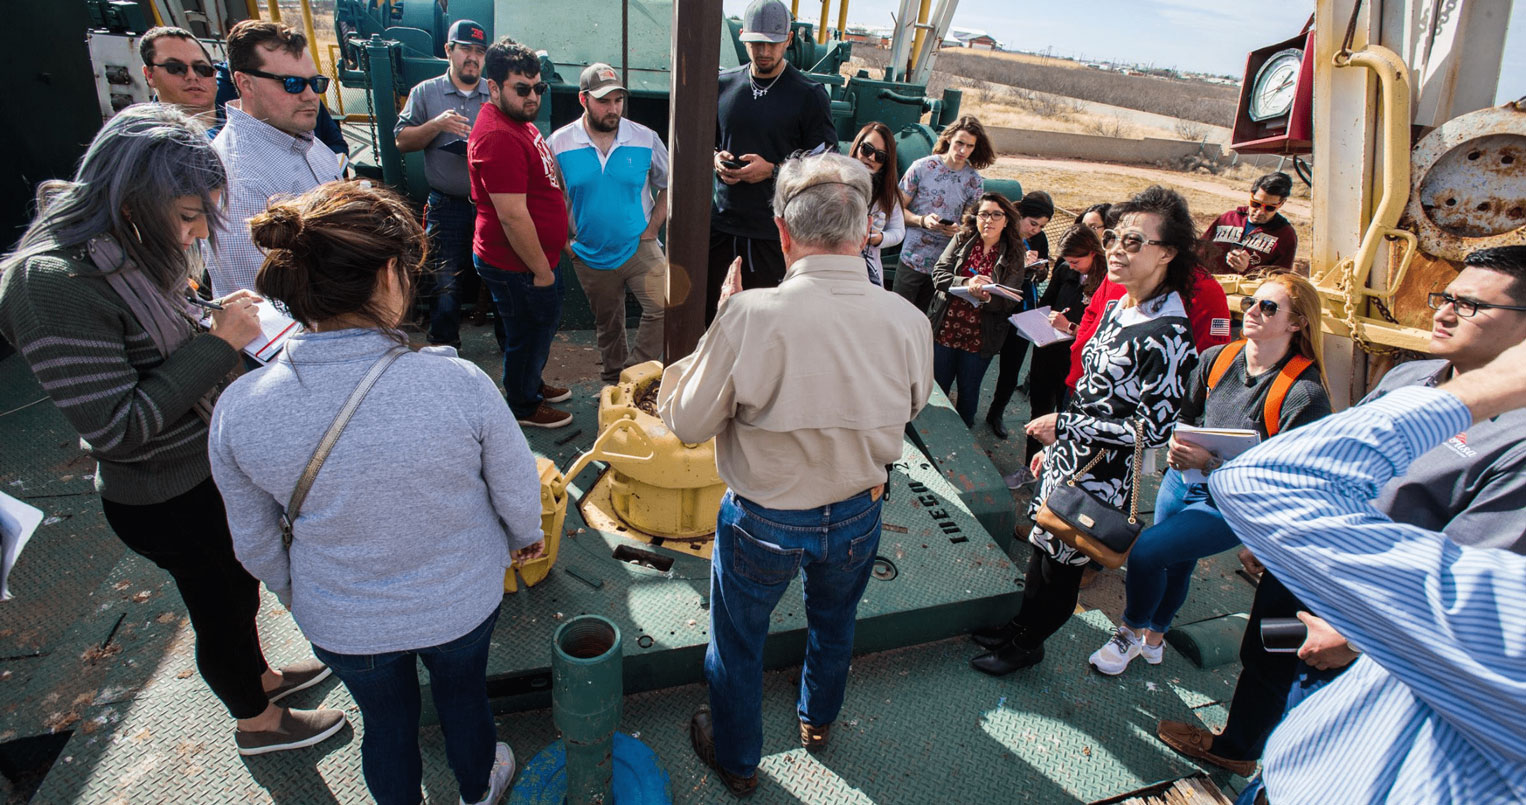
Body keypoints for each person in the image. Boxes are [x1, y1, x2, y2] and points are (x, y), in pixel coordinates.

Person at [0, 105, 345, 756]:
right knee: (216, 605)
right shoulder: (51, 283)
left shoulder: (122, 252)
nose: (193, 235)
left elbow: (160, 337)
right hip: (165, 494)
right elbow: (118, 427)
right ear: (130, 196)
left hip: (203, 471)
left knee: (237, 589)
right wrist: (220, 343)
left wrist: (215, 319)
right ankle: (258, 723)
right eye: (187, 217)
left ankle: (261, 677)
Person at [208, 181, 545, 805]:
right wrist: (525, 538)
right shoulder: (456, 381)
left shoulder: (239, 409)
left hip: (341, 619)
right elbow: (518, 490)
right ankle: (478, 788)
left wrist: (301, 590)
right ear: (391, 273)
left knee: (386, 725)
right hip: (460, 601)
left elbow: (253, 542)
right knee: (464, 699)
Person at [1158, 245, 1526, 784]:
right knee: (1266, 650)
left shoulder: (1515, 444)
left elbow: (1466, 582)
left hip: (1375, 623)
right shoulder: (1411, 378)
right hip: (1306, 579)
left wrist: (1355, 637)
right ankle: (1237, 747)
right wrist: (1278, 542)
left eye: (1470, 306)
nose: (1444, 312)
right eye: (1445, 297)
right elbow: (1326, 469)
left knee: (1325, 714)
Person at [659, 153, 933, 798]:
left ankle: (738, 758)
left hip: (765, 519)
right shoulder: (908, 320)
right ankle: (818, 721)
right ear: (866, 231)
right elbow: (914, 405)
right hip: (862, 508)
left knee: (738, 642)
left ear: (782, 231)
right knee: (836, 623)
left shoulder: (752, 314)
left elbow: (689, 423)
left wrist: (719, 332)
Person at [970, 186, 1202, 677]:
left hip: (1102, 476)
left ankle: (1028, 645)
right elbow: (1095, 390)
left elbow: (1154, 430)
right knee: (1040, 549)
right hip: (1071, 458)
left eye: (1134, 241)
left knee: (1060, 568)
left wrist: (1067, 426)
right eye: (1115, 237)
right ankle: (1018, 628)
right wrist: (1055, 451)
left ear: (1167, 253)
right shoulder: (1122, 306)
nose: (1116, 248)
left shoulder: (1170, 334)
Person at [1088, 273, 1330, 677]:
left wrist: (1210, 463)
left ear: (1297, 323)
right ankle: (1156, 637)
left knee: (1148, 551)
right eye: (1251, 301)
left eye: (1268, 307)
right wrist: (1177, 446)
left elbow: (1289, 479)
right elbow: (1187, 413)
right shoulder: (1218, 358)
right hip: (1182, 481)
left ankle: (1129, 632)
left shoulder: (1304, 394)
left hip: (1232, 506)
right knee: (1176, 563)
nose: (1252, 310)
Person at [707, 0, 837, 323]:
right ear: (742, 38)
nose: (764, 51)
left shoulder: (809, 95)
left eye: (773, 42)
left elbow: (826, 163)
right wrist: (714, 158)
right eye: (756, 42)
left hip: (773, 233)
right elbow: (705, 140)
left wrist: (774, 171)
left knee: (764, 325)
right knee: (714, 320)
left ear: (789, 41)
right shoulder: (723, 85)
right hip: (721, 228)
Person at [469, 37, 573, 428]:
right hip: (519, 265)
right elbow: (512, 216)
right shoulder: (499, 135)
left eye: (538, 88)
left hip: (534, 259)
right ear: (493, 87)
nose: (533, 98)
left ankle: (529, 383)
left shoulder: (518, 122)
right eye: (522, 89)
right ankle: (524, 406)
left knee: (536, 331)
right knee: (528, 332)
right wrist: (542, 272)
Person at [549, 62, 669, 384]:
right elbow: (552, 197)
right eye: (603, 101)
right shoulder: (559, 143)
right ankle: (614, 379)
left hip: (638, 246)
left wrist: (653, 228)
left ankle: (632, 376)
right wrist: (567, 245)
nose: (613, 108)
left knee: (665, 305)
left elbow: (671, 183)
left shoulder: (644, 138)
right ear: (583, 99)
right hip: (589, 253)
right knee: (609, 324)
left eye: (618, 100)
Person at [207, 20, 342, 298]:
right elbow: (264, 302)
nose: (310, 96)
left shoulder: (311, 144)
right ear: (245, 83)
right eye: (291, 84)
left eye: (315, 83)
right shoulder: (238, 178)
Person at [394, 19, 494, 351]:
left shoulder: (493, 95)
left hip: (491, 206)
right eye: (466, 49)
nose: (473, 58)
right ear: (448, 50)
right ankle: (443, 349)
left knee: (500, 277)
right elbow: (402, 141)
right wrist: (436, 125)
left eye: (479, 51)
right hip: (447, 204)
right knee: (444, 282)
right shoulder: (426, 92)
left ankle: (511, 350)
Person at [927, 193, 1027, 428]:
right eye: (983, 214)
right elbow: (939, 274)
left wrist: (985, 297)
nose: (989, 220)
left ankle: (963, 436)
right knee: (937, 387)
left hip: (980, 336)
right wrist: (965, 284)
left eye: (996, 215)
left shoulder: (1014, 253)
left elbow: (1009, 300)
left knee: (968, 390)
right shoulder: (963, 239)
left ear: (1006, 220)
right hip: (946, 327)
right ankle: (933, 432)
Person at [1019, 224, 1106, 467]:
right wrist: (1037, 320)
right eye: (1067, 261)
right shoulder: (1065, 270)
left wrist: (1069, 327)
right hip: (1047, 351)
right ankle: (1030, 465)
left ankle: (1057, 467)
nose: (1072, 266)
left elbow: (1102, 333)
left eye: (1076, 261)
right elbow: (1047, 303)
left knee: (1065, 417)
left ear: (1093, 253)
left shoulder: (1107, 283)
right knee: (1039, 413)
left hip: (1074, 362)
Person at [894, 115, 993, 311]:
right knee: (896, 313)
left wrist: (958, 231)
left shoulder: (974, 181)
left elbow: (972, 226)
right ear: (948, 138)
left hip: (944, 267)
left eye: (970, 146)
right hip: (911, 259)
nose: (963, 151)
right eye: (959, 143)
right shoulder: (922, 168)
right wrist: (922, 220)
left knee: (926, 322)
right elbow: (895, 210)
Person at [985, 191, 1053, 438]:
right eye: (1032, 223)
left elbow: (1042, 274)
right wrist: (1019, 266)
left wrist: (1040, 269)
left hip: (1023, 313)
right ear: (1020, 216)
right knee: (983, 358)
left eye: (1041, 226)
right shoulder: (1004, 233)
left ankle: (997, 412)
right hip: (997, 309)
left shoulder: (1040, 239)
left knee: (1011, 368)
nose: (1036, 230)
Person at [1199, 172, 1298, 275]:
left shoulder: (1285, 235)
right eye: (1256, 204)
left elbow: (1281, 280)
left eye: (1269, 208)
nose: (1260, 212)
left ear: (1281, 204)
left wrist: (1249, 269)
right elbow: (1199, 252)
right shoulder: (1227, 218)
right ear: (1251, 195)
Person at [849, 122, 905, 287]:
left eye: (880, 156)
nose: (871, 157)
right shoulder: (835, 181)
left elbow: (898, 231)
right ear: (857, 146)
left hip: (868, 273)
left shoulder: (888, 194)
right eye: (867, 149)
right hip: (835, 266)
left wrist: (880, 238)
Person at [139, 26, 217, 127]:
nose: (192, 76)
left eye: (201, 69)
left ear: (215, 74)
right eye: (176, 68)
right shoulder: (136, 137)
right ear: (150, 75)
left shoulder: (240, 124)